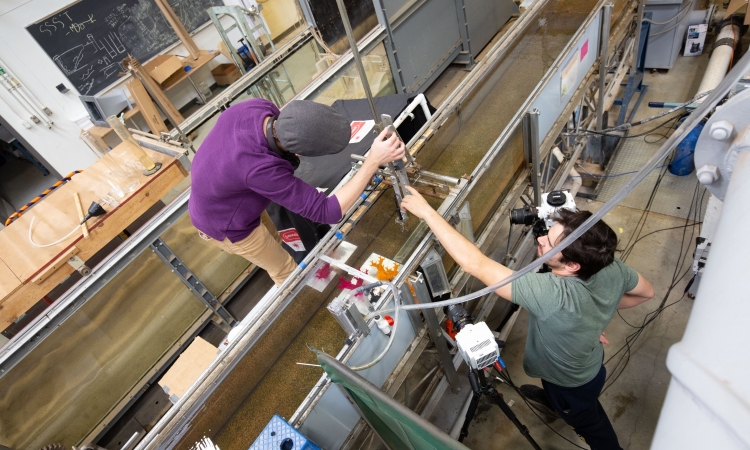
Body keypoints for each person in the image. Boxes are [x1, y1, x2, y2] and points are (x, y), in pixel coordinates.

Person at [400, 186, 655, 450]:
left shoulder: (550, 293)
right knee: (567, 401)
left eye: (551, 243)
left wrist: (428, 213)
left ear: (572, 265)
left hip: (570, 383)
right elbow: (647, 292)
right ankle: (555, 404)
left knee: (590, 423)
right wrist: (591, 319)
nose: (541, 239)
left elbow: (475, 264)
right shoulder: (609, 264)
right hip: (589, 364)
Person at [189, 98, 404, 286]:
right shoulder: (260, 168)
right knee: (284, 270)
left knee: (275, 240)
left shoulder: (258, 108)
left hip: (224, 190)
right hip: (224, 222)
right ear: (299, 152)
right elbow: (328, 211)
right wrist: (373, 161)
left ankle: (283, 251)